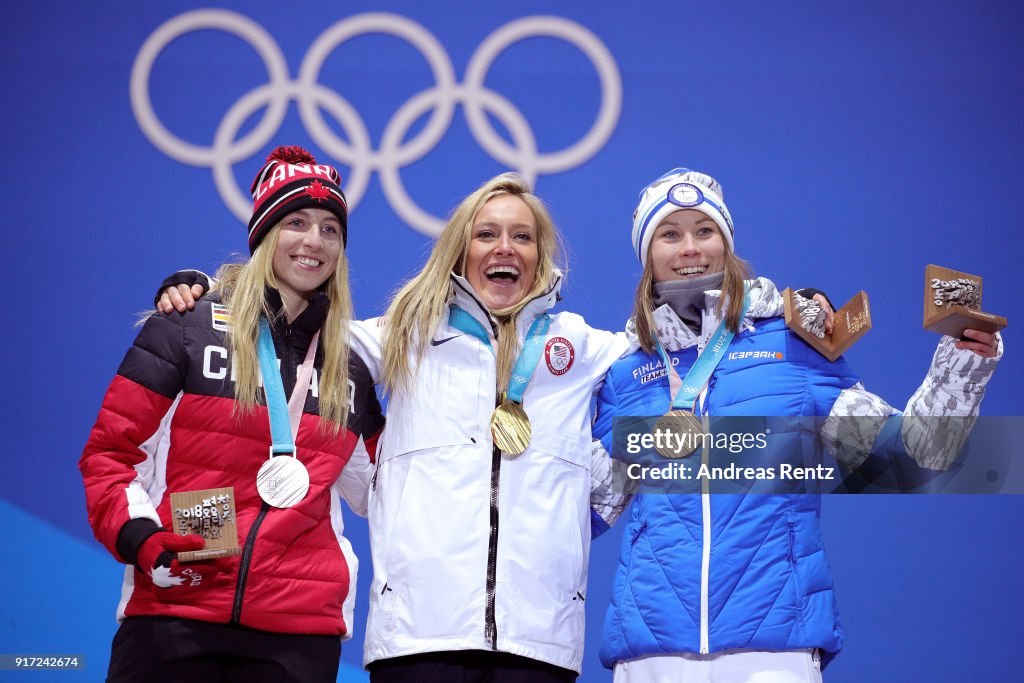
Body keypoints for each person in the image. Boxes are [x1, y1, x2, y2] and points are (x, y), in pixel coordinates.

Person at [591, 168, 1001, 682]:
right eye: (670, 234)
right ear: (647, 255)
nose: (689, 248)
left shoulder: (792, 349)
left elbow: (916, 455)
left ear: (727, 242)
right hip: (652, 651)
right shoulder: (627, 372)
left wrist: (962, 364)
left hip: (775, 645)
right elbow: (583, 510)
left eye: (705, 231)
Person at [80, 146, 384, 682]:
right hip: (176, 614)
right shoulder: (186, 329)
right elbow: (110, 454)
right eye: (296, 222)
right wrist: (140, 536)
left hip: (297, 637)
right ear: (265, 234)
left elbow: (389, 487)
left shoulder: (349, 367)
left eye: (330, 229)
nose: (314, 241)